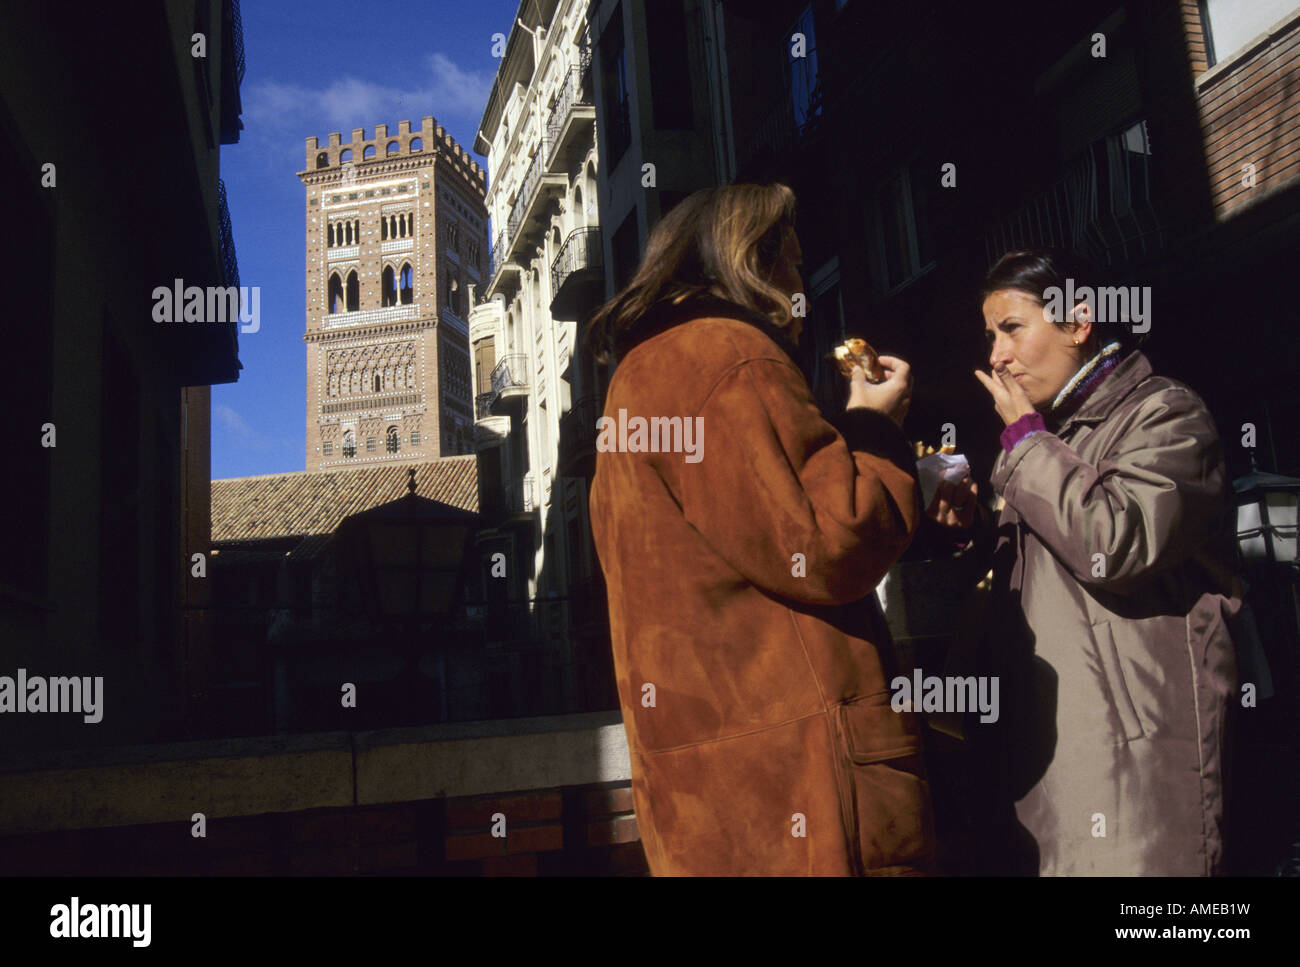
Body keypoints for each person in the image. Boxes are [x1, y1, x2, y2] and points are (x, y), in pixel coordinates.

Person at [584, 183, 935, 875]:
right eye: (795, 265)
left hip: (711, 809)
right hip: (805, 793)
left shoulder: (634, 381)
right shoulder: (733, 357)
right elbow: (830, 539)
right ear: (751, 263)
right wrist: (871, 424)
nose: (803, 286)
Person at [929, 248, 1242, 876]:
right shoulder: (1050, 440)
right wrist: (974, 529)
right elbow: (1049, 582)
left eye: (1012, 328)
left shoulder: (1165, 413)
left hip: (1135, 762)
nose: (996, 356)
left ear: (1079, 321)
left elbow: (1116, 544)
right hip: (1052, 765)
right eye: (990, 335)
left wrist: (1025, 444)